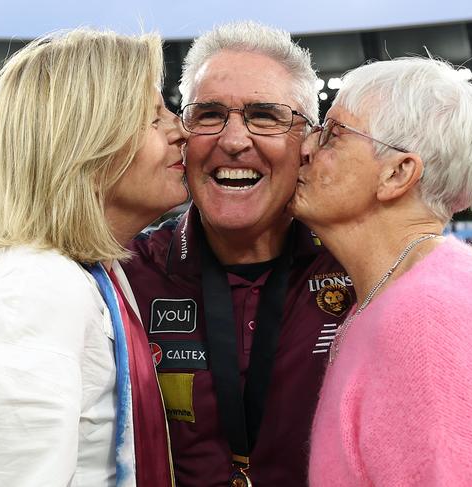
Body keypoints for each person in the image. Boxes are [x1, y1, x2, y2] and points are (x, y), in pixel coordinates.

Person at [0, 29, 188, 487]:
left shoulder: (84, 275)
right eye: (153, 118)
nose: (181, 131)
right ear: (86, 146)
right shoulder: (31, 292)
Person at [122, 21, 353, 487]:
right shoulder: (127, 276)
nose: (232, 140)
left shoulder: (358, 272)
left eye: (264, 116)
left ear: (307, 140)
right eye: (208, 114)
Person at [291, 57, 472, 486]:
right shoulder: (402, 296)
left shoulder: (432, 317)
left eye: (333, 134)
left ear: (398, 173)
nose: (307, 148)